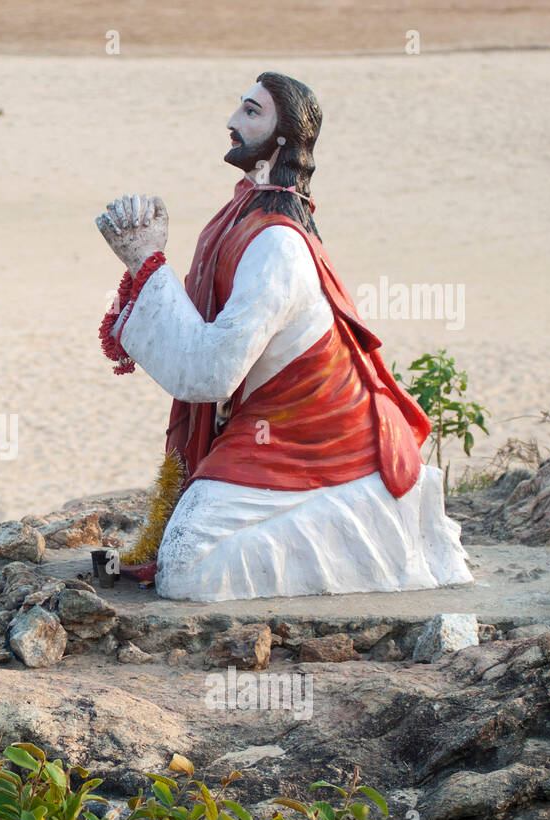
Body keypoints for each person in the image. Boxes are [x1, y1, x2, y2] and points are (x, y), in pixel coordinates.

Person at [94, 72, 473, 602]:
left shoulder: (277, 244)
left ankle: (359, 517)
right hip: (265, 422)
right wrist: (146, 268)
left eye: (251, 112)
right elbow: (209, 350)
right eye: (238, 108)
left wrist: (146, 261)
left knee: (186, 566)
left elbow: (210, 374)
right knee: (185, 553)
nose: (232, 122)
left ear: (282, 138)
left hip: (314, 433)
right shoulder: (238, 220)